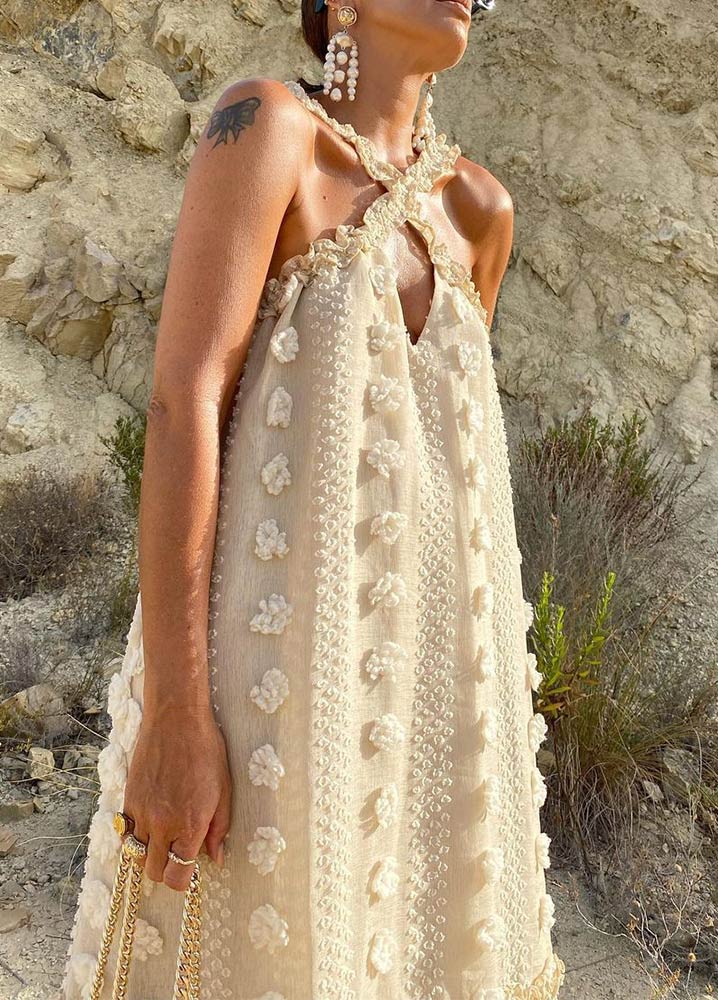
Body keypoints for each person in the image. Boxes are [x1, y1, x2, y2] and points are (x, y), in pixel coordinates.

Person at [62, 0, 566, 997]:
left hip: (434, 689)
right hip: (270, 677)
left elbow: (433, 462)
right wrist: (175, 711)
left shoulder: (482, 211)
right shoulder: (268, 129)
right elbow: (184, 402)